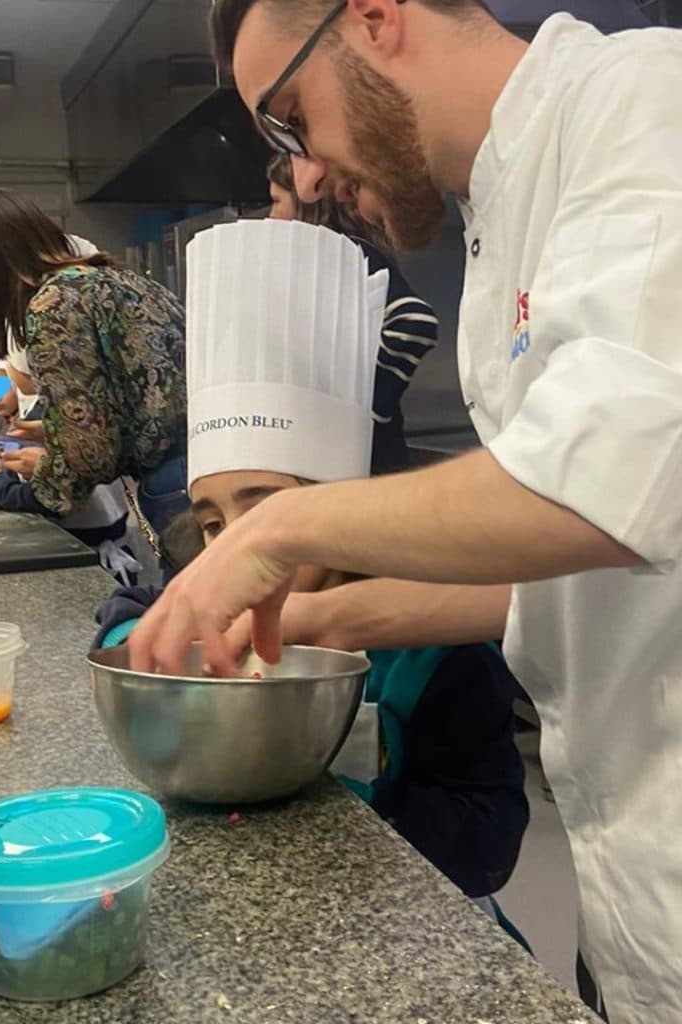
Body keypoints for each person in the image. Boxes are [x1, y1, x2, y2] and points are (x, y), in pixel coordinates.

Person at [130, 3, 682, 1021]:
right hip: (634, 894)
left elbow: (616, 478)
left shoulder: (644, 104)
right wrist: (314, 623)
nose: (301, 176)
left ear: (375, 16)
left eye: (292, 119)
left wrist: (281, 533)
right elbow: (552, 572)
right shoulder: (500, 232)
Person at [98, 219, 529, 907]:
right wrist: (147, 657)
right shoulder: (216, 606)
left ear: (342, 512)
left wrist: (364, 769)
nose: (231, 547)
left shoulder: (439, 656)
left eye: (266, 511)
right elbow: (126, 617)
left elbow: (488, 846)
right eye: (212, 522)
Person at [0, 189, 188, 535]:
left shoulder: (52, 305)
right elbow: (129, 402)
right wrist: (56, 429)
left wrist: (5, 490)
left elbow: (90, 455)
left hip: (172, 481)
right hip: (201, 462)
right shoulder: (116, 278)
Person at [267, 154, 438, 473]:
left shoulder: (348, 255)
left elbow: (413, 322)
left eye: (276, 202)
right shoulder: (320, 265)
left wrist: (366, 411)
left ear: (307, 204)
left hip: (368, 467)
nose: (271, 216)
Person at [0, 362, 140, 585]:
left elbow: (51, 496)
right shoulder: (62, 408)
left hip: (91, 562)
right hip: (102, 555)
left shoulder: (48, 414)